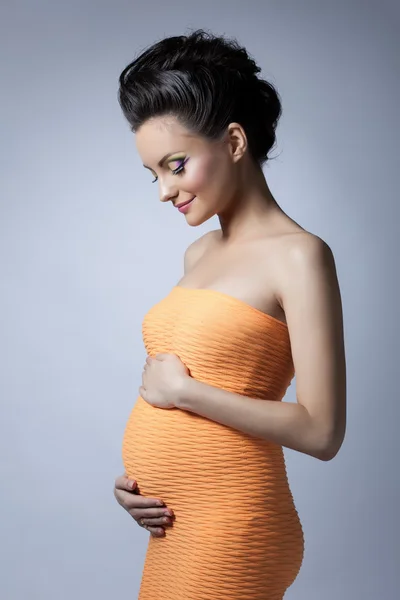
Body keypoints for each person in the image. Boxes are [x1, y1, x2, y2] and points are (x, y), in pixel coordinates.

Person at [113, 28, 347, 600]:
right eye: (154, 175)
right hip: (177, 525)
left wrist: (185, 396)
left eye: (176, 165)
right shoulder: (199, 253)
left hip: (234, 525)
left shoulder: (300, 256)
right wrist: (140, 483)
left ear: (235, 141)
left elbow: (322, 431)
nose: (165, 191)